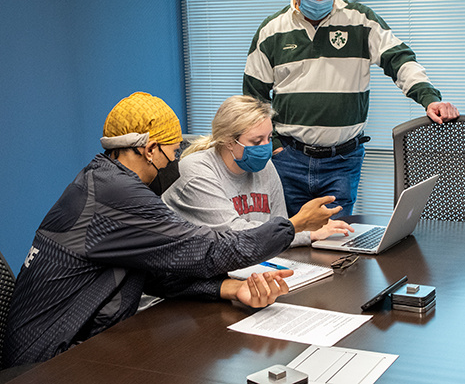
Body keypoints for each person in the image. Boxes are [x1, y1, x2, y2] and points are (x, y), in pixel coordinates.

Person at [3, 92, 336, 368]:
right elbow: (211, 250)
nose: (174, 161)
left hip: (63, 343)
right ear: (149, 149)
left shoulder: (100, 181)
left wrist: (230, 290)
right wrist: (294, 225)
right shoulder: (117, 194)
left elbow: (154, 270)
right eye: (172, 151)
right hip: (47, 363)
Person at [243, 0, 459, 218]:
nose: (318, 0)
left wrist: (429, 99)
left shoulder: (361, 21)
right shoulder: (271, 31)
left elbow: (399, 60)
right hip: (289, 160)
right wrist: (274, 145)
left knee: (336, 246)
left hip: (342, 162)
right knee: (286, 241)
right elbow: (253, 99)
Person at [163, 95, 353, 245]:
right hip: (191, 277)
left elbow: (279, 225)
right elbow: (233, 233)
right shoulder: (196, 170)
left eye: (269, 138)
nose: (266, 147)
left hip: (249, 260)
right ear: (229, 141)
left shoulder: (265, 166)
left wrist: (303, 230)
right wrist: (305, 231)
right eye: (256, 141)